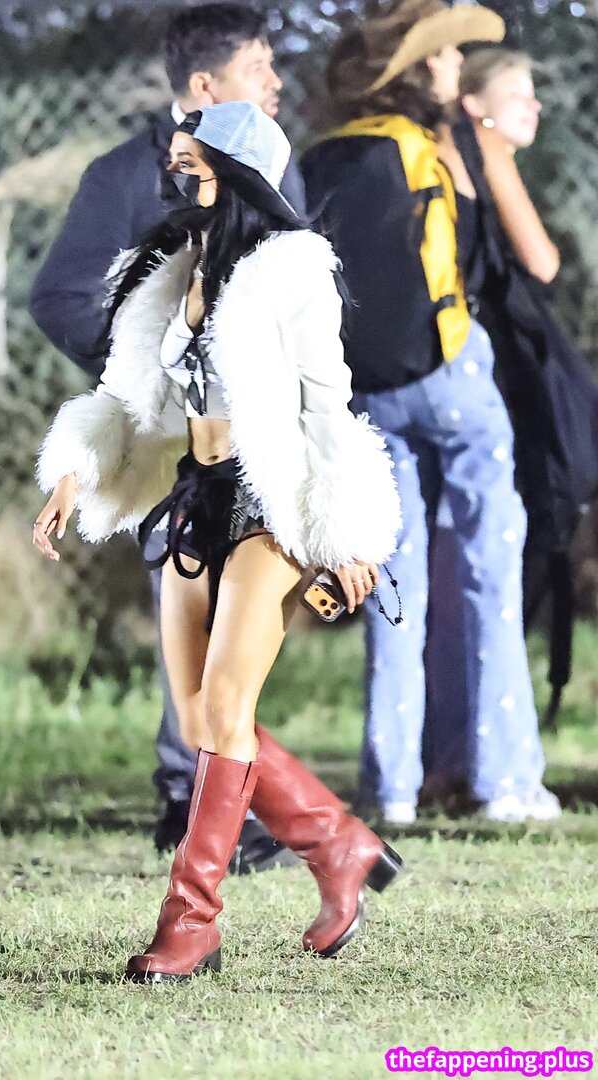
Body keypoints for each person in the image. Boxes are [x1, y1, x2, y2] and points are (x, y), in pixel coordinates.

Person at [33, 101, 403, 983]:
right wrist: (73, 473)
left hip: (270, 499)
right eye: (175, 162)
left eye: (192, 164)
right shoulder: (171, 269)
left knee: (228, 706)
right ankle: (338, 845)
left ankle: (190, 922)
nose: (175, 176)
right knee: (202, 717)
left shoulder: (293, 269)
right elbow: (123, 395)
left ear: (238, 172)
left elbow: (328, 406)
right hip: (193, 498)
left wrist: (348, 536)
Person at [30, 3, 306, 868]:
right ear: (204, 85)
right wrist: (157, 373)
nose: (276, 81)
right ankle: (197, 801)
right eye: (259, 67)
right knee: (198, 650)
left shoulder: (271, 162)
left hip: (262, 454)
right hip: (178, 458)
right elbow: (61, 296)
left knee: (239, 645)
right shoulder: (124, 175)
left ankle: (237, 814)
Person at [301, 0, 560, 826]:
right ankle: (505, 782)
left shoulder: (328, 153)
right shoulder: (438, 144)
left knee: (393, 587)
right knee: (490, 575)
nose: (454, 67)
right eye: (444, 57)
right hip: (453, 375)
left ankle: (392, 789)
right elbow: (525, 261)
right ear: (419, 70)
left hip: (368, 387)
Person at [423, 47, 598, 808]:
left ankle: (441, 762)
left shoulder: (431, 149)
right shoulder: (481, 149)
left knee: (447, 574)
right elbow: (543, 261)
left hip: (436, 369)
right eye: (518, 93)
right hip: (480, 385)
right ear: (476, 104)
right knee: (485, 575)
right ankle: (480, 764)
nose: (534, 106)